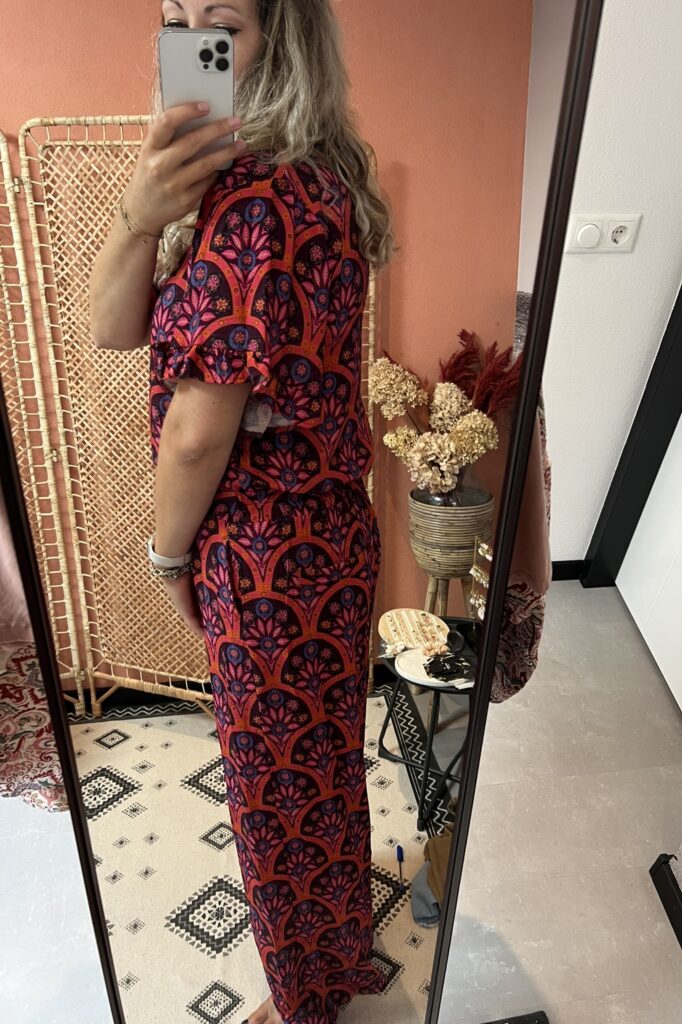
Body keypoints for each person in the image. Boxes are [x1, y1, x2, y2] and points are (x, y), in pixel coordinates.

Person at [89, 2, 396, 1022]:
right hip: (323, 535)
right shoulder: (310, 173)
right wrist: (140, 210)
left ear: (283, 35)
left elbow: (195, 433)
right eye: (174, 16)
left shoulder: (254, 198)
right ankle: (335, 956)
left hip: (264, 551)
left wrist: (168, 557)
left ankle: (304, 997)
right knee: (318, 769)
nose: (191, 45)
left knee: (275, 793)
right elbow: (113, 326)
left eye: (220, 22)